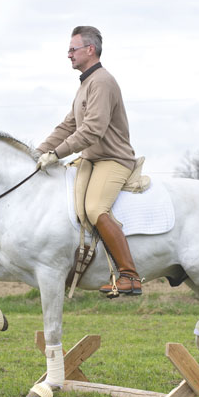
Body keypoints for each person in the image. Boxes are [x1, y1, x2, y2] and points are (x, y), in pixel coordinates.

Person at [36, 25, 142, 296]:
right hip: (91, 159)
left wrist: (57, 154)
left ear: (90, 49)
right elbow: (68, 125)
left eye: (73, 49)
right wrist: (38, 153)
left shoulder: (103, 82)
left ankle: (129, 276)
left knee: (95, 208)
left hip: (113, 159)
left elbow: (92, 129)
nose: (68, 55)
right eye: (69, 50)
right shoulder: (85, 84)